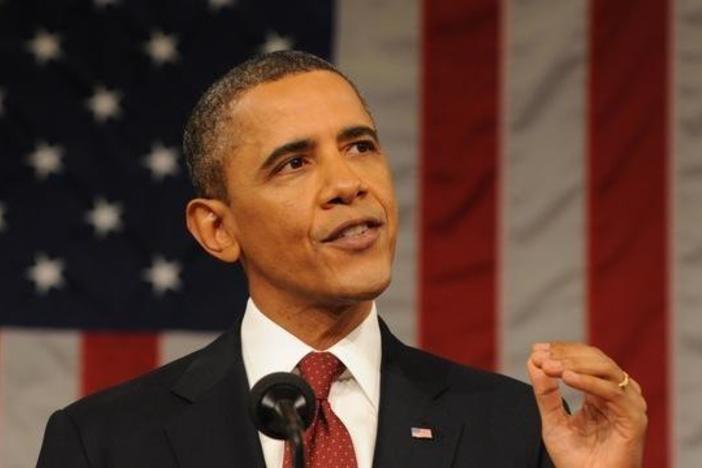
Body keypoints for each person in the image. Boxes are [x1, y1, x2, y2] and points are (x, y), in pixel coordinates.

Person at [37, 51, 647, 468]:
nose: (347, 183)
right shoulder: (106, 443)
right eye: (294, 163)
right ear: (218, 228)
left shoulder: (511, 428)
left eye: (360, 146)